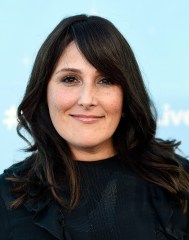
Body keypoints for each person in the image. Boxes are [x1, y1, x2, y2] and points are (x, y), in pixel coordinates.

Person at [0, 14, 189, 240]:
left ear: (126, 94)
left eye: (106, 80)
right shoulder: (7, 196)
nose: (87, 99)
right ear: (44, 91)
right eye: (70, 79)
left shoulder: (179, 183)